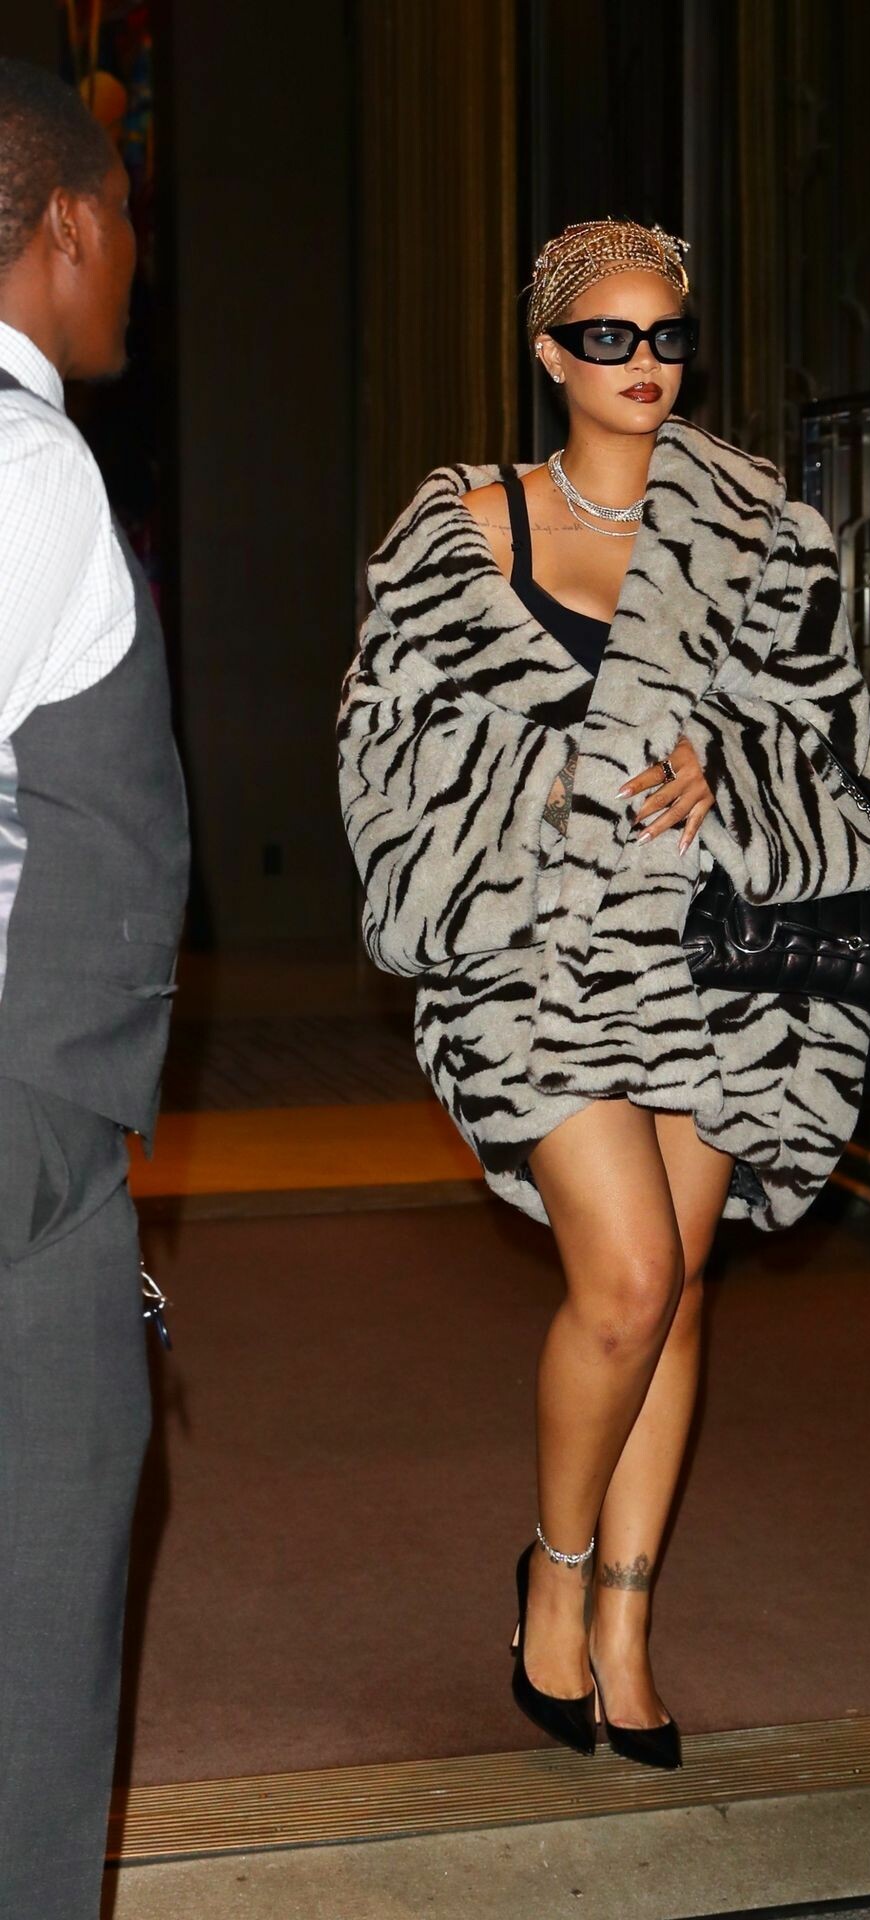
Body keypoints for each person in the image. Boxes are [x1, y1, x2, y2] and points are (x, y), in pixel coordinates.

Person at [338, 217, 870, 1770]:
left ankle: (630, 1627)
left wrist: (728, 769)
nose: (644, 362)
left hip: (707, 961)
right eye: (608, 337)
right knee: (631, 1279)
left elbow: (838, 743)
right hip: (531, 964)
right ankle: (556, 1568)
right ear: (550, 354)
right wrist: (544, 781)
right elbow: (382, 753)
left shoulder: (758, 532)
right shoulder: (459, 531)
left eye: (668, 336)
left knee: (689, 1286)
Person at [0, 59, 188, 1918]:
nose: (138, 249)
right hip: (19, 1133)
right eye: (126, 211)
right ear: (66, 222)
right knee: (35, 1663)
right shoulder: (29, 461)